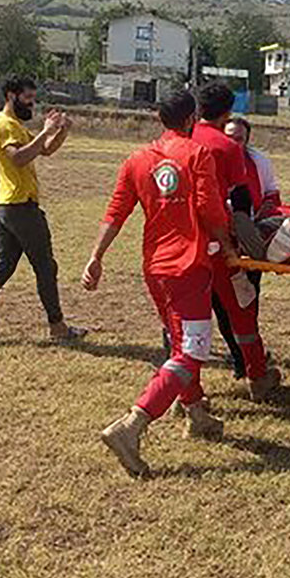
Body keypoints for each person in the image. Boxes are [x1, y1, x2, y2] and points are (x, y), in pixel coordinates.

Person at [86, 90, 236, 477]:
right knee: (192, 351)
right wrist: (230, 246)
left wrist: (96, 256)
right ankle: (132, 425)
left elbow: (116, 211)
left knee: (178, 339)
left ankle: (196, 413)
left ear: (159, 118)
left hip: (156, 269)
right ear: (191, 120)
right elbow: (210, 208)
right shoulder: (197, 154)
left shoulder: (137, 160)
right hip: (189, 266)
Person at [0, 77, 87, 347]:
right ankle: (57, 326)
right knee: (45, 266)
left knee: (3, 267)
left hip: (8, 205)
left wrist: (62, 131)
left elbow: (43, 151)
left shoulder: (16, 125)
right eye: (27, 98)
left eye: (33, 98)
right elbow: (19, 157)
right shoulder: (4, 124)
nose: (31, 103)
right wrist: (46, 130)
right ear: (11, 95)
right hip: (19, 206)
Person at [190, 83, 281, 398]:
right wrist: (252, 247)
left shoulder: (180, 141)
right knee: (242, 308)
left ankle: (188, 391)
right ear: (227, 111)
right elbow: (240, 202)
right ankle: (257, 376)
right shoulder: (226, 147)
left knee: (188, 320)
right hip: (219, 245)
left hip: (183, 245)